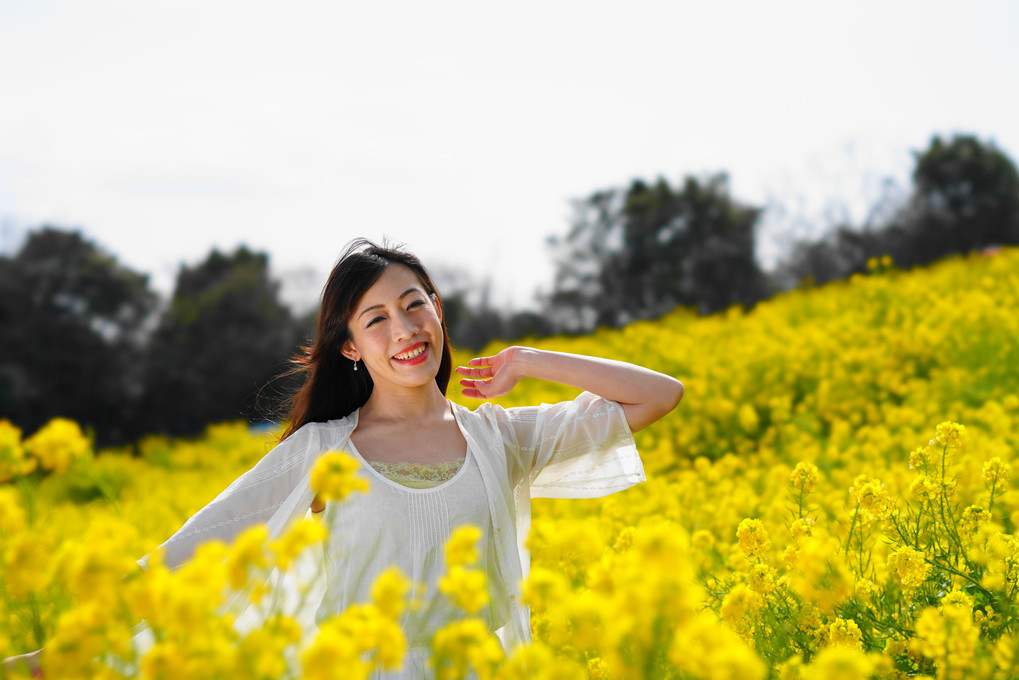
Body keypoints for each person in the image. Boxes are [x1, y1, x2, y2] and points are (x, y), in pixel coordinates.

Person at [2, 238, 683, 678]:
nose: (404, 330)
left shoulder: (499, 439)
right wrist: (61, 654)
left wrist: (532, 360)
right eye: (375, 319)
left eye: (414, 306)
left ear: (438, 313)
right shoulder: (324, 451)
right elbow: (196, 550)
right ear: (351, 347)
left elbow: (658, 396)